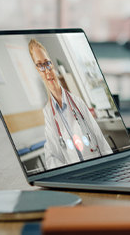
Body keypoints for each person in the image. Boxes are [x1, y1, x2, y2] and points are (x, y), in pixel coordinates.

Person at [29, 38, 112, 169]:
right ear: (38, 71)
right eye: (40, 65)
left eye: (47, 63)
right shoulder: (49, 113)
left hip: (97, 170)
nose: (46, 70)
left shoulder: (78, 103)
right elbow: (52, 157)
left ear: (53, 65)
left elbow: (101, 141)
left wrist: (111, 169)